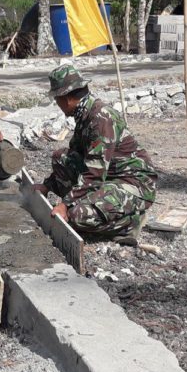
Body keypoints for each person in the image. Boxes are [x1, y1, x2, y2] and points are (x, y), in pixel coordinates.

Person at [33, 64, 158, 244]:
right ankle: (95, 205)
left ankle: (129, 223)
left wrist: (66, 204)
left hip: (132, 183)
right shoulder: (84, 114)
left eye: (57, 100)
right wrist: (47, 186)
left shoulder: (101, 119)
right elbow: (76, 157)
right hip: (107, 177)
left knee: (76, 216)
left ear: (66, 98)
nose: (58, 105)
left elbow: (94, 173)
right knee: (61, 157)